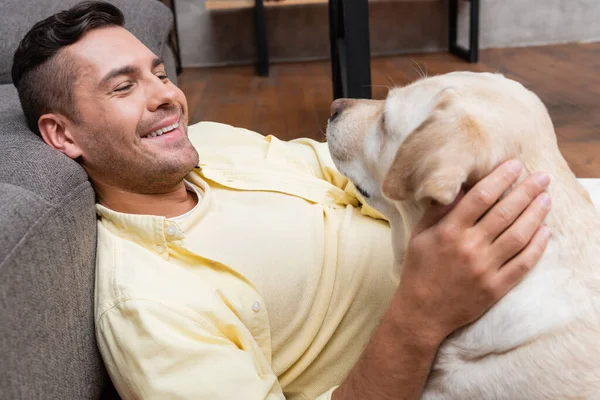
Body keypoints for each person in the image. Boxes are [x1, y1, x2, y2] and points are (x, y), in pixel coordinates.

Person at [11, 2, 554, 399]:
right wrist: (424, 310)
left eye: (158, 73)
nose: (167, 97)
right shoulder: (149, 306)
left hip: (505, 256)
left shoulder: (212, 145)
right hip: (488, 350)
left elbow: (348, 171)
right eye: (123, 87)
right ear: (63, 135)